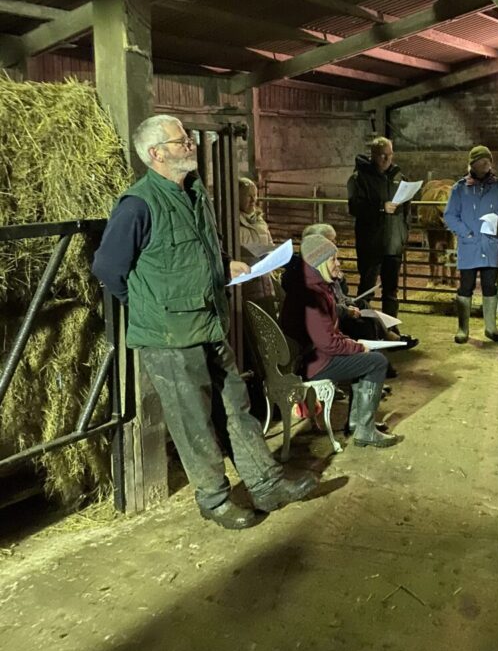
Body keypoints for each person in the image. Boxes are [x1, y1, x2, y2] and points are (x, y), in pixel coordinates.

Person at [92, 114, 317, 530]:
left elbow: (196, 251)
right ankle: (214, 499)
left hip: (209, 322)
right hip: (170, 336)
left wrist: (223, 265)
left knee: (236, 406)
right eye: (180, 141)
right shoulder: (138, 205)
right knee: (192, 421)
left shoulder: (194, 192)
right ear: (155, 154)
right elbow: (108, 268)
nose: (190, 145)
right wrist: (149, 307)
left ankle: (266, 484)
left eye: (188, 139)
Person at [280, 232, 401, 448]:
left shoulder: (313, 285)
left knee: (365, 357)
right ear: (319, 262)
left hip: (309, 356)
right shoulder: (312, 294)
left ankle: (357, 423)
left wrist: (353, 346)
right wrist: (357, 347)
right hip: (311, 362)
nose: (338, 264)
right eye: (333, 259)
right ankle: (365, 429)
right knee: (377, 362)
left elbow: (327, 333)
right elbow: (327, 342)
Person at [347, 136, 418, 348]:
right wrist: (380, 207)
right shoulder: (359, 178)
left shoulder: (399, 177)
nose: (387, 159)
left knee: (391, 291)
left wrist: (404, 232)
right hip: (371, 244)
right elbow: (354, 207)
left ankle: (392, 332)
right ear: (373, 155)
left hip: (393, 243)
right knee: (367, 290)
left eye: (389, 154)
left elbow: (406, 209)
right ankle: (363, 330)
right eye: (382, 155)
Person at [442, 145, 498, 344]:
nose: (486, 164)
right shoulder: (460, 188)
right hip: (469, 245)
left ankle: (491, 327)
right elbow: (450, 215)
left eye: (488, 161)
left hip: (490, 244)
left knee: (490, 285)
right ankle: (463, 329)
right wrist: (465, 232)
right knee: (466, 286)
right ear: (472, 164)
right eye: (481, 161)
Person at [238, 176, 282, 321]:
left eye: (255, 195)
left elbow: (270, 246)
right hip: (247, 286)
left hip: (266, 285)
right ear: (237, 197)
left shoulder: (260, 222)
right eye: (248, 196)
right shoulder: (231, 223)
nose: (253, 200)